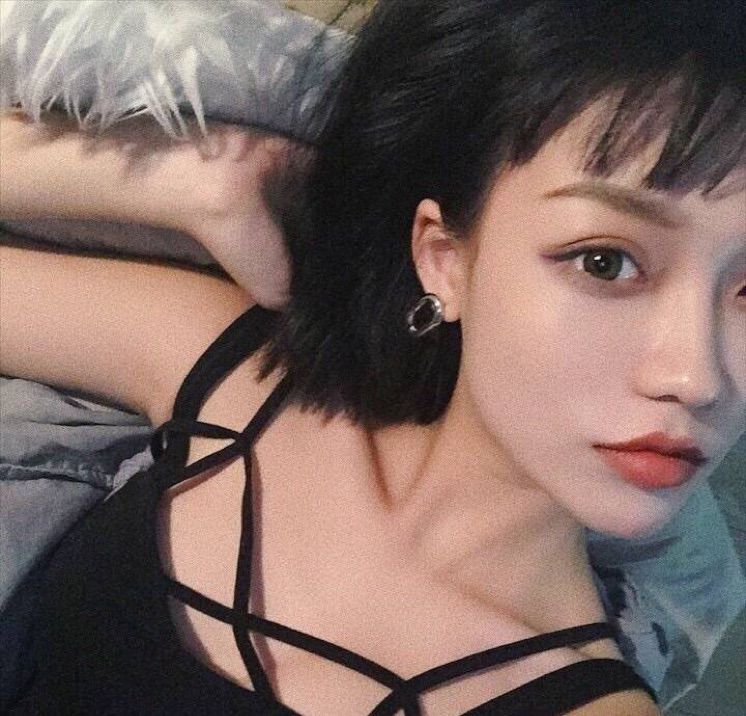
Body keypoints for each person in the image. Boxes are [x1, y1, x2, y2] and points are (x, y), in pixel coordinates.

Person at [0, 0, 744, 713]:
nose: (697, 379)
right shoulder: (241, 377)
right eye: (605, 262)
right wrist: (199, 186)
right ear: (445, 259)